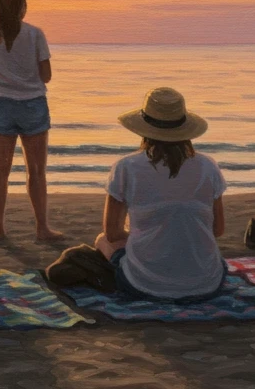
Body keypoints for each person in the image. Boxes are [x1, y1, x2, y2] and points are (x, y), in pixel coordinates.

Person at [92, 87, 227, 303]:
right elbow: (218, 229)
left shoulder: (126, 167)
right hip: (206, 284)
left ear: (144, 129)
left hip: (145, 285)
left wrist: (149, 237)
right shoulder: (207, 166)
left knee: (101, 241)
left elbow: (112, 233)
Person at [0, 0, 63, 242]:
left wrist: (2, 74)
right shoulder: (35, 34)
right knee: (36, 171)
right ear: (23, 6)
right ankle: (42, 228)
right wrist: (25, 76)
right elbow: (46, 75)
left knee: (0, 171)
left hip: (1, 103)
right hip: (33, 103)